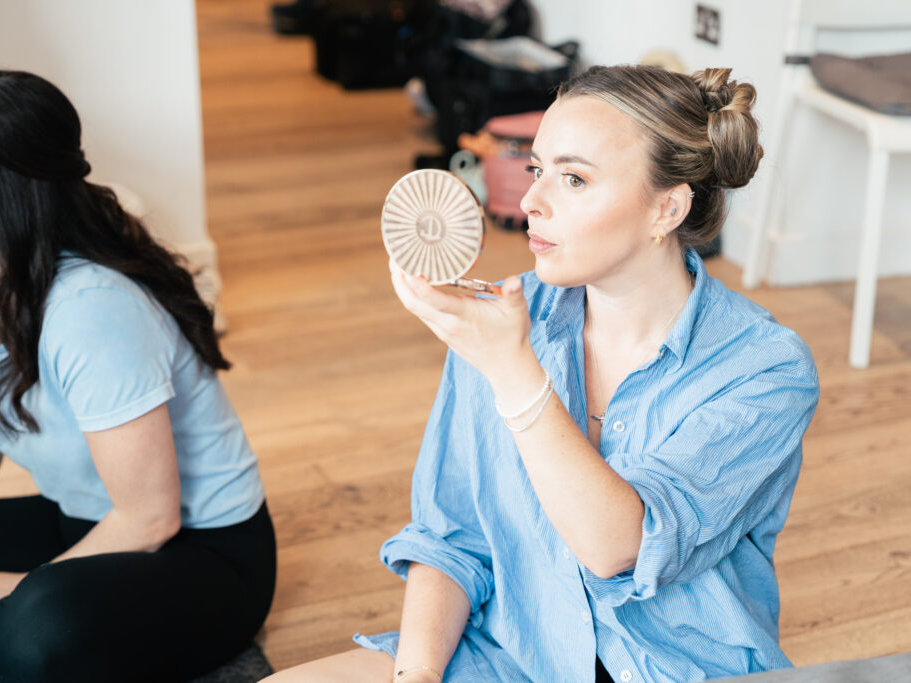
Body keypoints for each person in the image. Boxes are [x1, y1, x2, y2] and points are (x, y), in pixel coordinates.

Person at [265, 64, 819, 682]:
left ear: (667, 208)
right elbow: (451, 538)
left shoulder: (763, 368)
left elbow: (618, 548)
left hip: (668, 666)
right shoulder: (507, 318)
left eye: (574, 178)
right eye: (537, 170)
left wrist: (514, 373)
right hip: (517, 651)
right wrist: (415, 675)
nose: (531, 200)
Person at [0, 69, 275, 683]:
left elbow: (151, 519)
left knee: (35, 624)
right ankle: (6, 664)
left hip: (203, 555)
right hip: (88, 521)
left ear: (9, 189)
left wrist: (22, 588)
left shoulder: (91, 307)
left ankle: (12, 653)